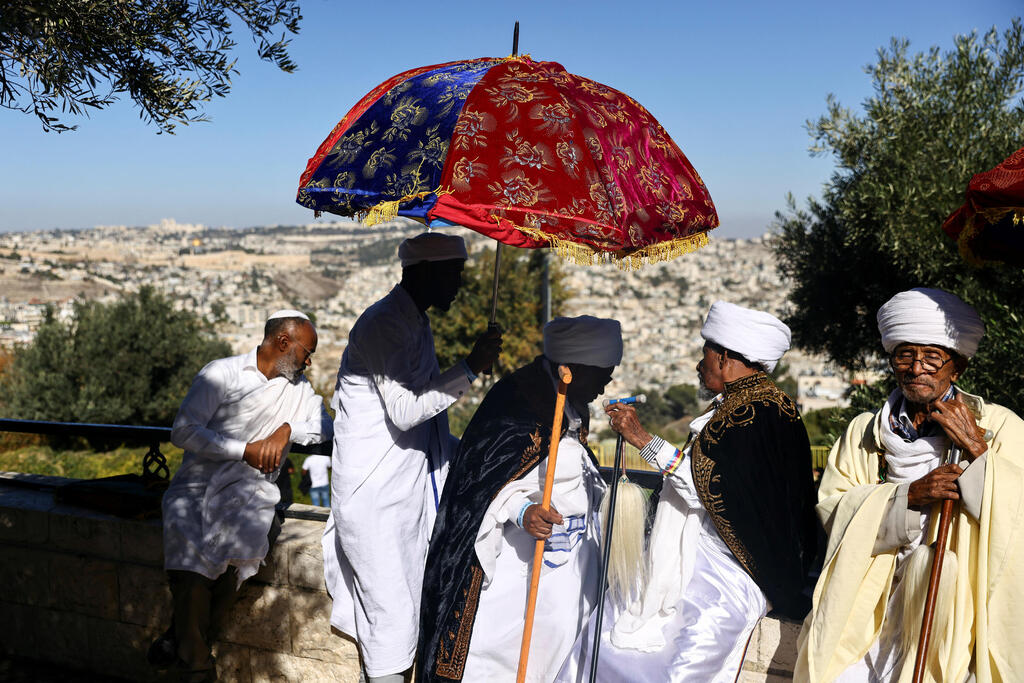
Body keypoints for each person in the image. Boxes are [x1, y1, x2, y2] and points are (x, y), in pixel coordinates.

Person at [559, 301, 818, 683]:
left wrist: (642, 439)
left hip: (733, 568)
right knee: (604, 630)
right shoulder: (743, 405)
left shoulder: (757, 414)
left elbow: (709, 488)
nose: (699, 364)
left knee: (674, 666)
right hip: (692, 547)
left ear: (726, 358)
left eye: (705, 354)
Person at [796, 288, 1024, 682]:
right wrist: (908, 497)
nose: (917, 368)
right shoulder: (864, 432)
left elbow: (1017, 515)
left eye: (932, 357)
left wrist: (976, 449)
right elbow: (832, 508)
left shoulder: (1001, 426)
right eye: (905, 356)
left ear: (959, 367)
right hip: (871, 604)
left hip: (956, 611)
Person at [321, 232, 503, 683]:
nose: (458, 287)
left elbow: (429, 418)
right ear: (425, 273)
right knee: (390, 626)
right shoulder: (383, 323)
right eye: (453, 275)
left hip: (405, 497)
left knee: (403, 624)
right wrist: (469, 368)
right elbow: (405, 411)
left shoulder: (415, 321)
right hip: (375, 502)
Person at [417, 315, 622, 683]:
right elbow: (478, 482)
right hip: (519, 566)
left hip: (568, 574)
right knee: (503, 660)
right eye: (601, 376)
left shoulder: (572, 402)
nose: (603, 389)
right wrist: (523, 509)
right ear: (571, 368)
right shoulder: (518, 401)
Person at [149, 310, 332, 682]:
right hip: (197, 487)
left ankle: (183, 645)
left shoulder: (299, 392)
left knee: (236, 562)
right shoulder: (221, 374)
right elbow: (183, 431)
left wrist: (287, 429)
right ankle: (197, 662)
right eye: (306, 351)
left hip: (251, 494)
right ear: (283, 343)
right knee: (191, 567)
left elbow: (325, 425)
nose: (309, 361)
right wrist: (243, 450)